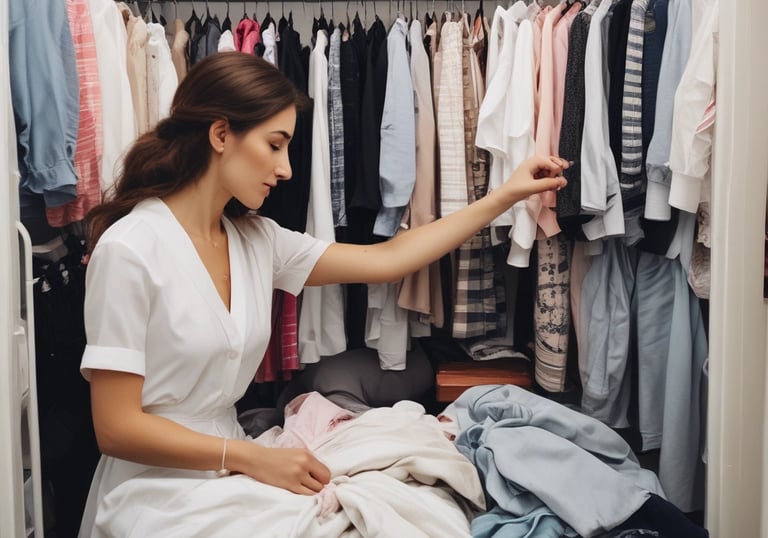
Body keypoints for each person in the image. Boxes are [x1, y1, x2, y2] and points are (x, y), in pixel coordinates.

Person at [78, 52, 568, 537]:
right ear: (221, 134)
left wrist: (505, 195)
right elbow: (116, 428)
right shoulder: (131, 250)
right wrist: (250, 457)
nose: (287, 168)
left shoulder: (255, 240)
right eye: (275, 145)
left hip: (232, 474)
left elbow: (389, 259)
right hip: (152, 492)